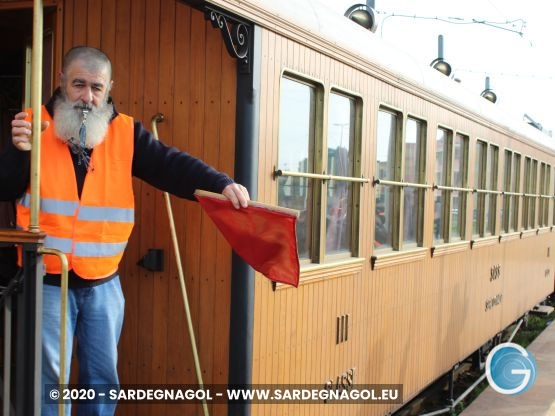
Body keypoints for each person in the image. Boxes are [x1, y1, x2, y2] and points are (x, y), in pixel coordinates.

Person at [0, 46, 249, 415]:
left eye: (96, 87)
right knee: (50, 383)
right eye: (78, 84)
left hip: (104, 285)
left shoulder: (126, 132)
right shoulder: (32, 124)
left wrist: (220, 183)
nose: (87, 97)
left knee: (101, 381)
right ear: (61, 82)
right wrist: (19, 151)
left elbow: (171, 165)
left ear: (109, 87)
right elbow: (5, 187)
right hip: (46, 282)